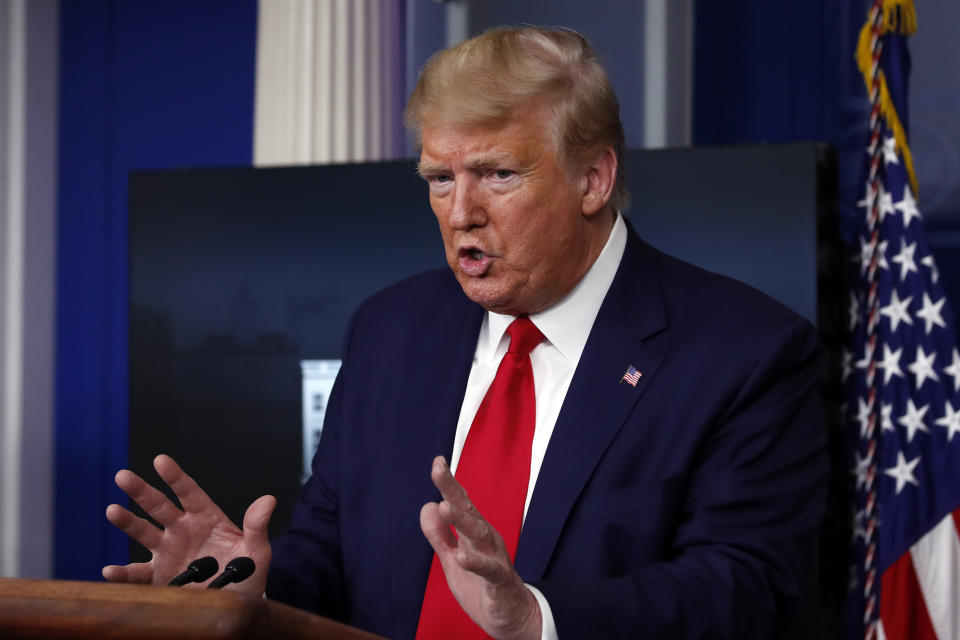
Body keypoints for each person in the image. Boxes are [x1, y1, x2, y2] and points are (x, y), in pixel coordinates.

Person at [103, 26, 828, 639]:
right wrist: (251, 587)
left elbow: (747, 590)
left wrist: (538, 618)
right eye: (439, 179)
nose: (460, 213)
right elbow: (333, 551)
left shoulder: (746, 354)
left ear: (593, 180)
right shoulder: (391, 329)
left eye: (498, 174)